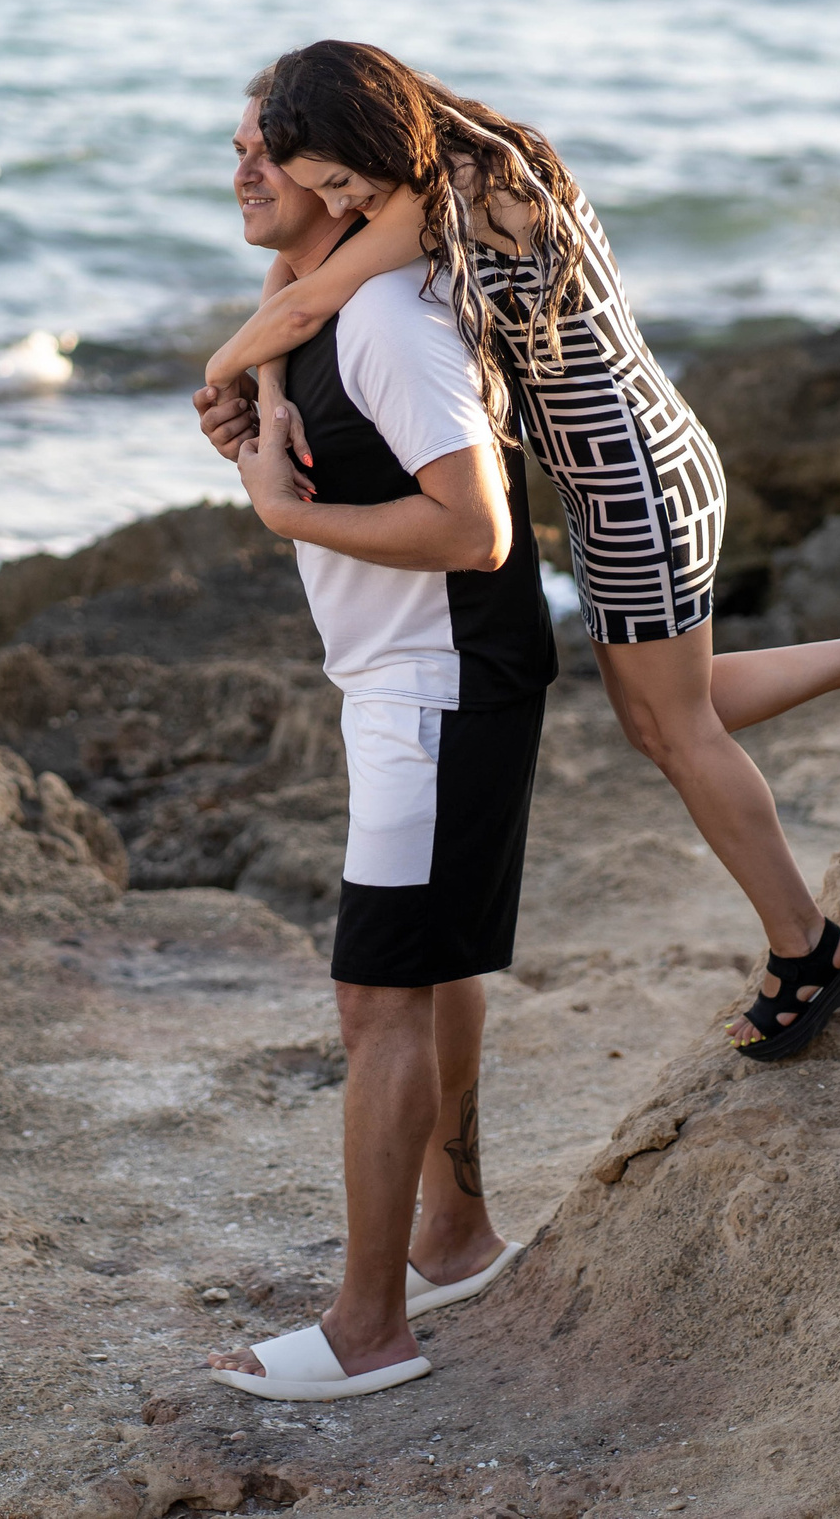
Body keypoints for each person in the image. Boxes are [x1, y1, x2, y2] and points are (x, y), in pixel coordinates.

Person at [196, 42, 840, 1061]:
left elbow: (299, 301)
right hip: (638, 459)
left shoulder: (451, 195)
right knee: (661, 710)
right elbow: (299, 272)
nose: (346, 201)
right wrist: (275, 396)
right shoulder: (477, 150)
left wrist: (222, 371)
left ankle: (810, 952)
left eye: (343, 180)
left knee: (671, 730)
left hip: (628, 482)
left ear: (373, 139)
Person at [198, 75, 558, 1401]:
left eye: (269, 157)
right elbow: (301, 356)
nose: (244, 173)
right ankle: (453, 1233)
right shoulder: (327, 318)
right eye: (236, 151)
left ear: (337, 171)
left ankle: (369, 1325)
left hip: (437, 674)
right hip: (416, 672)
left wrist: (288, 516)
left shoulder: (390, 325)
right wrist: (262, 416)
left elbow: (474, 527)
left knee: (378, 993)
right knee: (433, 960)